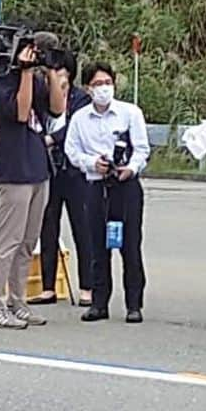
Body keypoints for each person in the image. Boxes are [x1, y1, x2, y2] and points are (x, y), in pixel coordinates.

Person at [0, 32, 67, 329]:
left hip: (38, 168)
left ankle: (17, 300)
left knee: (27, 242)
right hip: (13, 169)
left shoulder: (39, 79)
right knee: (7, 240)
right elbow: (21, 113)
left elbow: (58, 109)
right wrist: (26, 72)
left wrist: (52, 71)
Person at [65, 62, 150, 323]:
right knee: (97, 245)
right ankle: (99, 303)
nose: (103, 89)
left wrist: (131, 168)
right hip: (94, 185)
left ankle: (133, 304)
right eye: (98, 84)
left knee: (130, 245)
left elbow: (142, 149)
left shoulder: (129, 113)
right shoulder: (80, 118)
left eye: (107, 83)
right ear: (88, 89)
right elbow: (72, 151)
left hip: (125, 186)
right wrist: (92, 163)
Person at [31, 47, 92, 307]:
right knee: (48, 227)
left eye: (62, 73)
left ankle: (87, 287)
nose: (59, 79)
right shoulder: (43, 97)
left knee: (83, 228)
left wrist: (51, 139)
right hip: (48, 169)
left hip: (75, 172)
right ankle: (48, 286)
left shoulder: (81, 99)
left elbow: (74, 128)